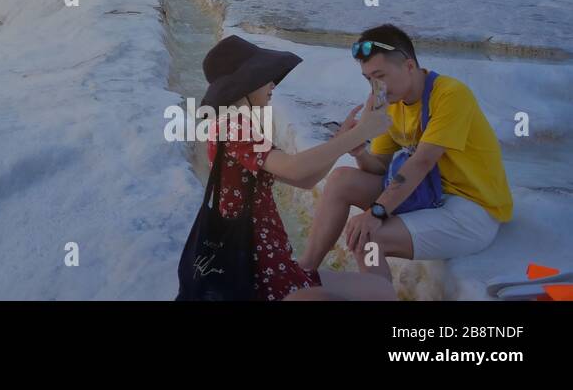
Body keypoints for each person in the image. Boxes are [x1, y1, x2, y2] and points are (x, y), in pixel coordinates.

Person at [296, 25, 513, 294]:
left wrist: (376, 211)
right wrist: (358, 151)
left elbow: (421, 162)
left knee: (369, 238)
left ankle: (378, 296)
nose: (376, 87)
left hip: (471, 210)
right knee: (341, 179)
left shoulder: (450, 94)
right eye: (369, 79)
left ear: (409, 66)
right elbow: (380, 167)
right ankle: (303, 273)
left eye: (381, 76)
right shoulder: (388, 101)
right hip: (428, 194)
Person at [179, 35, 391, 301]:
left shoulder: (233, 126)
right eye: (265, 77)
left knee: (381, 291)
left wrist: (342, 141)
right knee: (379, 293)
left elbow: (304, 180)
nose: (272, 84)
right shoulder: (233, 128)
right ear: (244, 83)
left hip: (269, 263)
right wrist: (362, 131)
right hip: (258, 273)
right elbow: (295, 169)